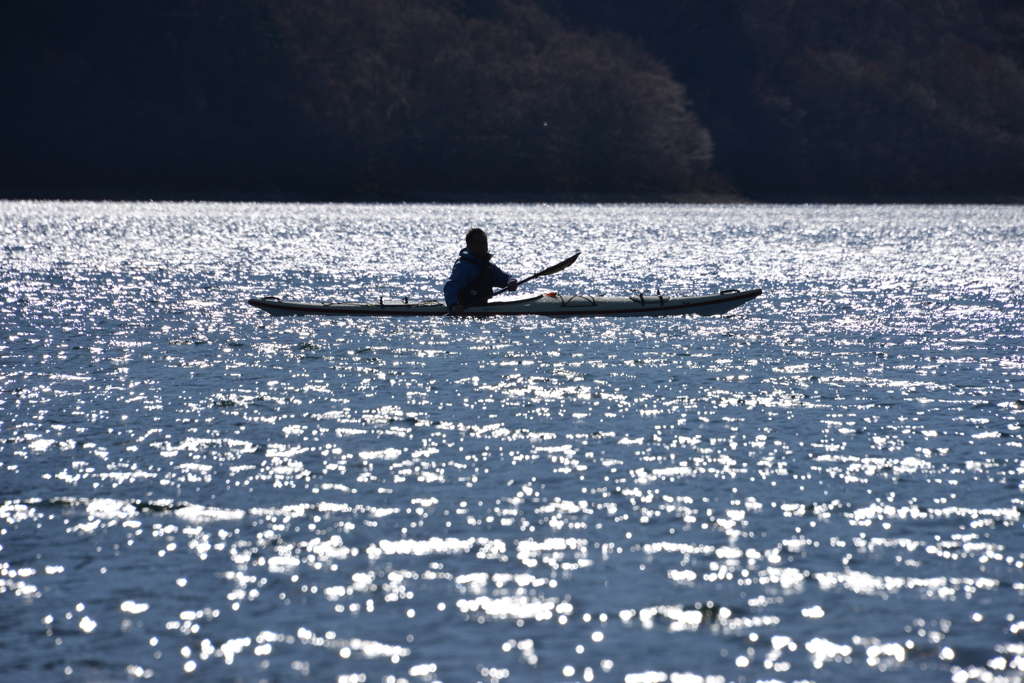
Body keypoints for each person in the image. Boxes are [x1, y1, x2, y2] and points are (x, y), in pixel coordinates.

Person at [443, 228, 518, 315]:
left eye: (485, 244)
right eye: (479, 245)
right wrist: (454, 305)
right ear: (470, 246)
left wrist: (511, 281)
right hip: (463, 308)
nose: (484, 248)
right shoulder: (464, 266)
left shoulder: (487, 266)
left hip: (482, 308)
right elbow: (451, 286)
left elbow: (505, 278)